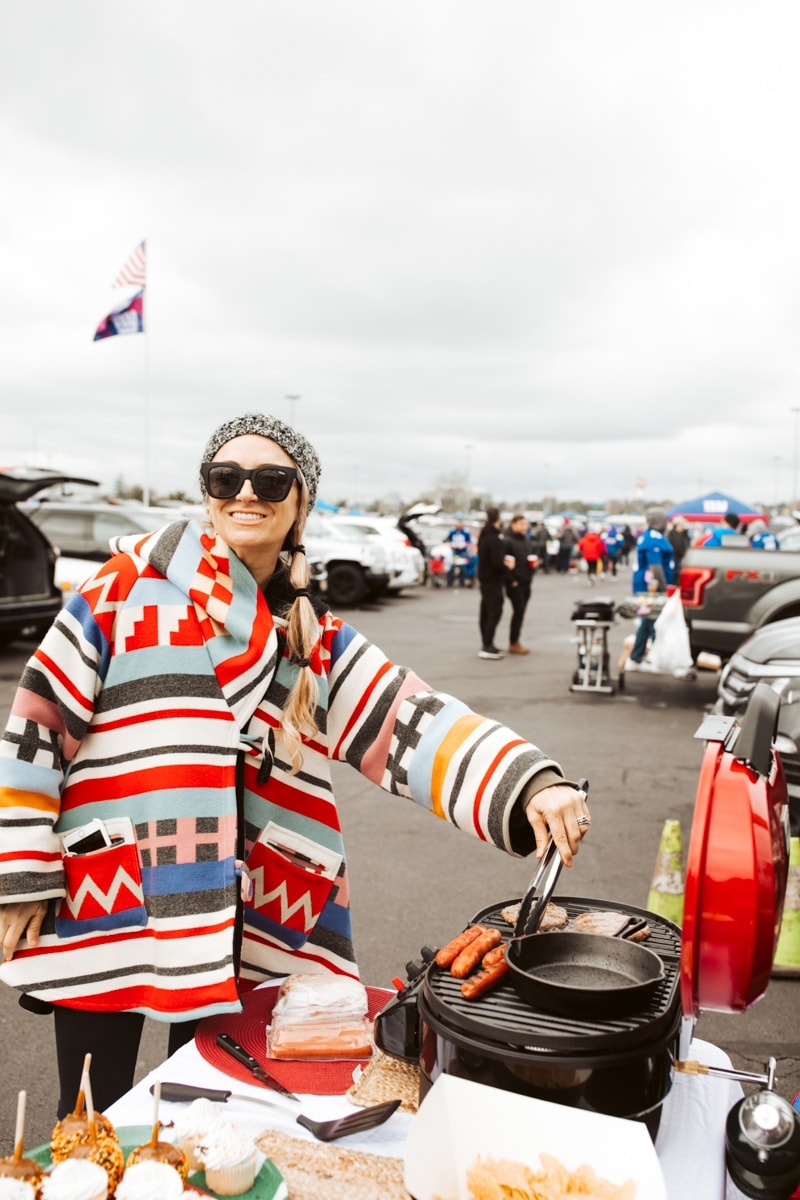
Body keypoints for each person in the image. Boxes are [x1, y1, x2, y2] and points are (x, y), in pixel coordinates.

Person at [0, 413, 590, 1119]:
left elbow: (410, 723)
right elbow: (35, 730)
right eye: (226, 477)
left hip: (246, 914)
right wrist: (24, 873)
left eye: (271, 479)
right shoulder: (117, 595)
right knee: (89, 1122)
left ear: (301, 503)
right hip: (114, 893)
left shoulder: (314, 637)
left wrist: (529, 781)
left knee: (209, 1117)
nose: (246, 492)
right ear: (208, 494)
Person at [626, 508, 676, 669]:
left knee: (648, 622)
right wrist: (665, 586)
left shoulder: (652, 537)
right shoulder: (654, 539)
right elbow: (655, 566)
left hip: (649, 587)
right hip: (650, 588)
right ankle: (648, 658)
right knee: (653, 622)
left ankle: (640, 657)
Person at [477, 506, 509, 659]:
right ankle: (487, 645)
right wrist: (507, 567)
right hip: (492, 580)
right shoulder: (494, 538)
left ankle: (487, 643)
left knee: (486, 612)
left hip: (485, 579)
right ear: (497, 518)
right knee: (494, 612)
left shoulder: (485, 535)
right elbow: (496, 563)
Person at [504, 514, 537, 654]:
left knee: (521, 612)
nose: (525, 527)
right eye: (521, 524)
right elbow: (505, 564)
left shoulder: (527, 541)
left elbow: (530, 559)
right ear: (513, 524)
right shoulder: (507, 541)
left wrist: (534, 567)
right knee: (518, 611)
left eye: (525, 524)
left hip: (526, 582)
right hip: (515, 583)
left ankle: (515, 640)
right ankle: (513, 642)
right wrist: (512, 581)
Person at [445, 518, 477, 587]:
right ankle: (450, 581)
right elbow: (448, 541)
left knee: (463, 567)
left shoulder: (465, 532)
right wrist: (452, 545)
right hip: (454, 553)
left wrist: (464, 545)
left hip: (463, 553)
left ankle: (462, 581)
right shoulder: (452, 532)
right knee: (450, 566)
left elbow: (469, 542)